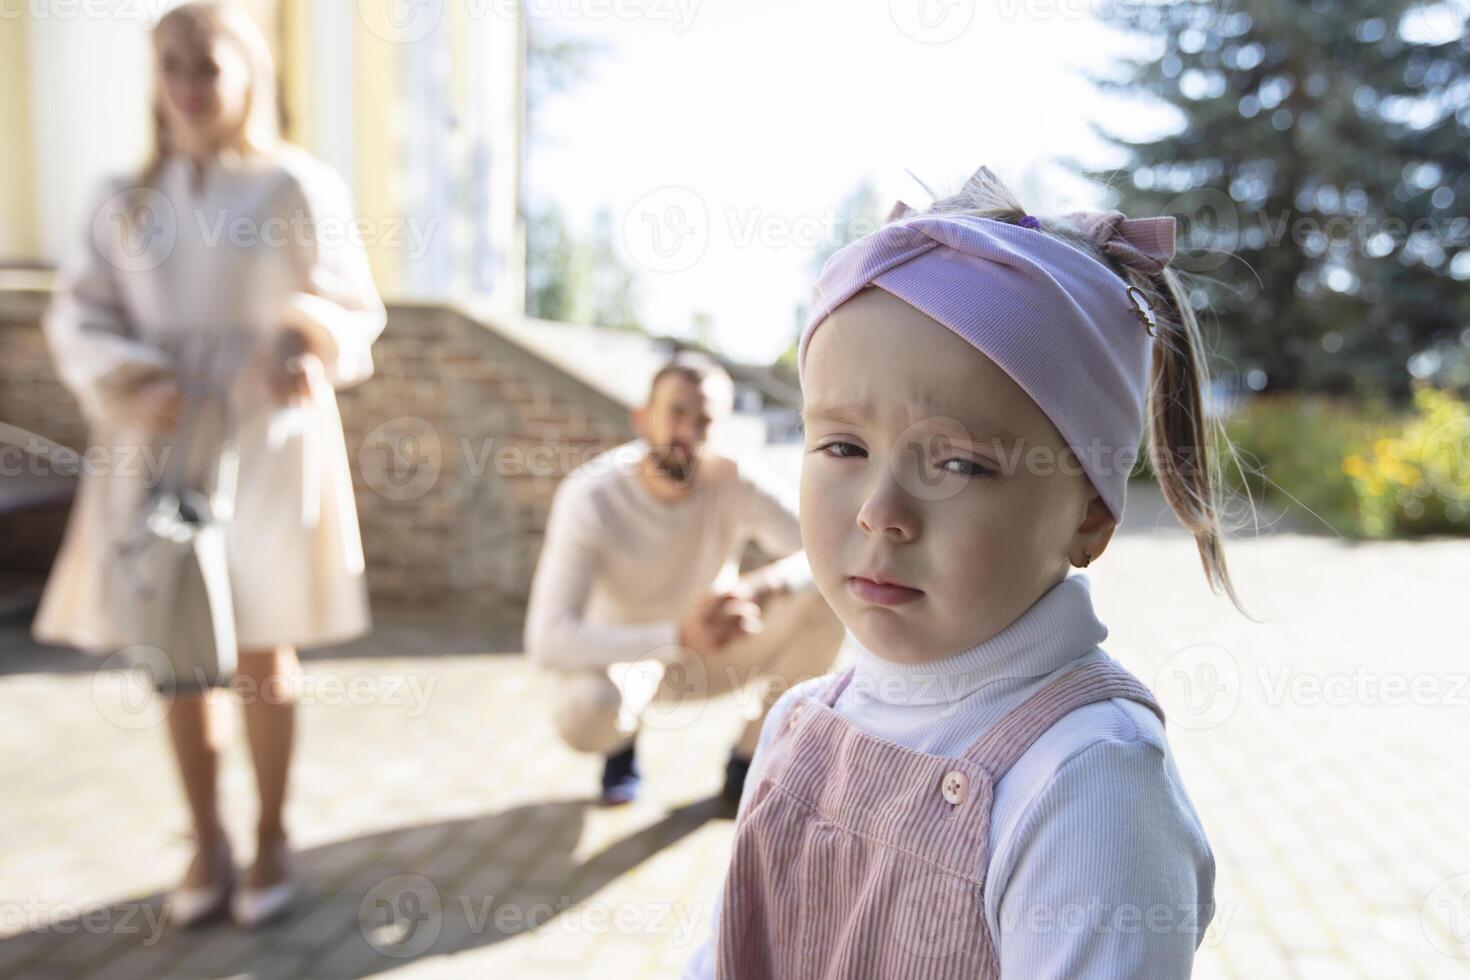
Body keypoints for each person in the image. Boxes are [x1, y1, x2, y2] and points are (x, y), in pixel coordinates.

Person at [683, 166, 1251, 978]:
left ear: (1090, 514)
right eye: (842, 447)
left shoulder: (1087, 786)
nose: (881, 510)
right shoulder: (797, 726)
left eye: (958, 462)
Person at [32, 1, 386, 929]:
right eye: (172, 64)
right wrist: (124, 375)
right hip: (156, 437)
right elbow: (77, 314)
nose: (189, 84)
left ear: (246, 74)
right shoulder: (122, 196)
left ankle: (270, 833)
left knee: (262, 642)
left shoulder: (294, 184)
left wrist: (304, 339)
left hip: (264, 438)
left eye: (207, 64)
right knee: (177, 645)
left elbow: (353, 306)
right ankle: (206, 836)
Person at [523, 350, 846, 808]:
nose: (689, 431)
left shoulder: (733, 475)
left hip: (713, 646)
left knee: (827, 604)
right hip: (629, 662)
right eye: (677, 412)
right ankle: (620, 747)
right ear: (642, 418)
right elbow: (547, 640)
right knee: (587, 710)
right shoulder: (590, 495)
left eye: (705, 419)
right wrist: (673, 635)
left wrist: (760, 587)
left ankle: (749, 759)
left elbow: (825, 551)